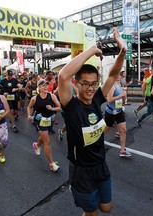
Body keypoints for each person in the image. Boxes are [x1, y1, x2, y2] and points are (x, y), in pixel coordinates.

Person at [58, 28, 126, 216]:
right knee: (92, 213)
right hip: (81, 170)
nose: (90, 88)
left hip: (101, 165)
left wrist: (123, 52)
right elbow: (63, 76)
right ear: (76, 84)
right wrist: (92, 50)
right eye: (85, 83)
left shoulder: (97, 99)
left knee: (106, 208)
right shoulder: (70, 105)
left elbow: (112, 75)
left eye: (93, 83)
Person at [27, 79, 61, 172]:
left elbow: (59, 107)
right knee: (47, 141)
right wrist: (29, 115)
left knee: (45, 137)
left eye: (46, 85)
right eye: (43, 85)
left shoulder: (52, 96)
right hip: (38, 121)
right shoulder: (35, 98)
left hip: (49, 120)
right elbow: (29, 107)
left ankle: (36, 145)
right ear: (39, 88)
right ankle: (52, 163)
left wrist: (52, 108)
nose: (45, 87)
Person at [104, 72, 132, 157]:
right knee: (106, 130)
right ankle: (97, 141)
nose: (119, 76)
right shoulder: (112, 86)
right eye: (118, 74)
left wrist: (124, 98)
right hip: (111, 112)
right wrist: (121, 95)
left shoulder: (119, 84)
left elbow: (120, 99)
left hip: (119, 111)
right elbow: (109, 99)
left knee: (123, 130)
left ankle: (122, 150)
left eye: (119, 74)